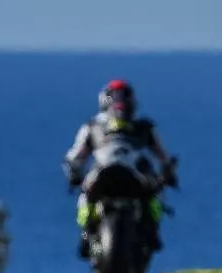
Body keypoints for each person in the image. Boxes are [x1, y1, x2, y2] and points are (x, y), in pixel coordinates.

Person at [62, 80, 177, 257]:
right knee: (87, 197)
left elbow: (75, 157)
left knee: (153, 196)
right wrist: (168, 173)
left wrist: (73, 172)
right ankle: (89, 234)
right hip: (120, 176)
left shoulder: (93, 126)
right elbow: (164, 156)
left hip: (119, 176)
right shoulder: (98, 127)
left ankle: (88, 235)